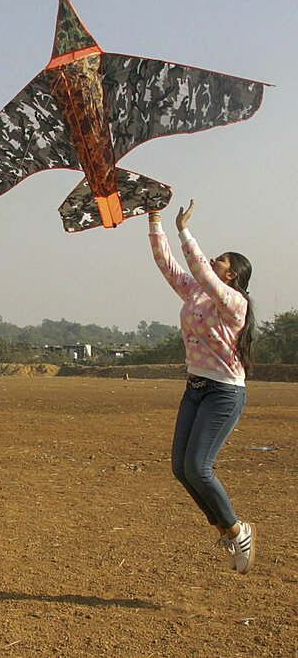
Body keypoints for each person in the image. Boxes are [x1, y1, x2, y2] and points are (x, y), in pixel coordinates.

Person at [149, 201, 256, 573]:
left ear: (234, 276)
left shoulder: (234, 303)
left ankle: (236, 530)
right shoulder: (196, 293)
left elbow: (202, 273)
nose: (214, 260)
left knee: (198, 466)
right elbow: (167, 265)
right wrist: (155, 219)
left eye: (223, 260)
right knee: (181, 468)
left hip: (224, 392)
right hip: (195, 388)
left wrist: (184, 231)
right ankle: (226, 531)